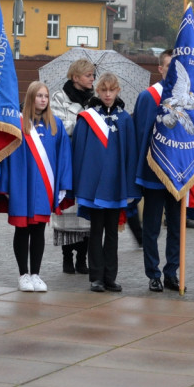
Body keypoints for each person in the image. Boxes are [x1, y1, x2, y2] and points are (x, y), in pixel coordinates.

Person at [0, 81, 72, 292]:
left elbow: (64, 158)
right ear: (31, 98)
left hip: (44, 188)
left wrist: (62, 187)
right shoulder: (17, 125)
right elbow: (6, 157)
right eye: (39, 96)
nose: (43, 100)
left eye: (46, 96)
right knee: (22, 230)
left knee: (38, 230)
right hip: (21, 186)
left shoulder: (55, 126)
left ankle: (36, 274)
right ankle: (23, 274)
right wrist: (7, 186)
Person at [69, 73, 138, 292]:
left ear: (118, 91)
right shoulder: (88, 118)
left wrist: (129, 186)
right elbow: (78, 152)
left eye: (112, 90)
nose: (108, 94)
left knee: (113, 234)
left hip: (117, 186)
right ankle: (95, 277)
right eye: (104, 90)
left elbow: (131, 154)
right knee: (96, 232)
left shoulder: (125, 119)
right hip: (95, 186)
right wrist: (79, 184)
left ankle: (110, 277)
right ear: (98, 91)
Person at [134, 49, 182, 292]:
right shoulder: (148, 96)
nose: (173, 70)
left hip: (178, 175)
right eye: (169, 66)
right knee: (152, 228)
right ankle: (153, 273)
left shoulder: (186, 96)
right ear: (161, 69)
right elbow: (141, 135)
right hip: (154, 174)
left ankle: (172, 272)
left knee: (177, 226)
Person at [49, 58, 94, 274]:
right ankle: (67, 257)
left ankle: (82, 259)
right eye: (88, 75)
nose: (92, 79)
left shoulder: (95, 99)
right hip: (67, 160)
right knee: (68, 210)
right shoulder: (59, 97)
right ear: (76, 77)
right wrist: (83, 121)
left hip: (87, 161)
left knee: (85, 213)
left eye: (93, 75)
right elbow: (57, 124)